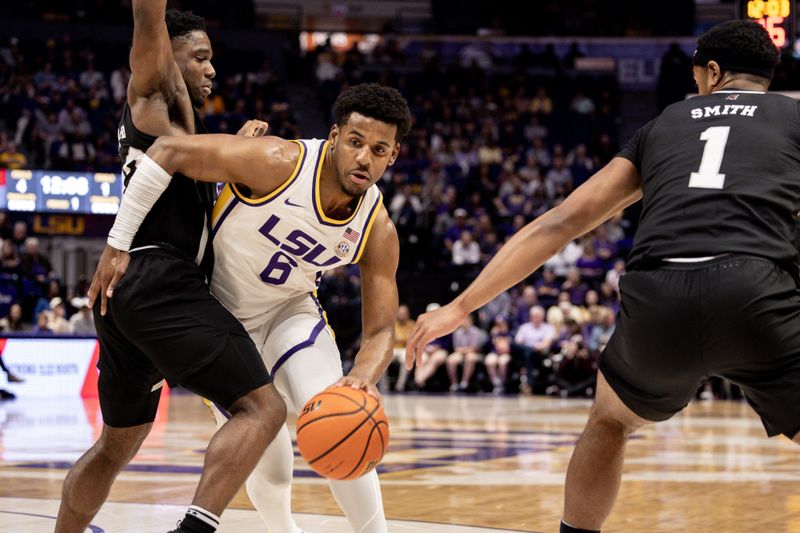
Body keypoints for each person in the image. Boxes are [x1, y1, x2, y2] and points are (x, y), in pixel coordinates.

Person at [406, 20, 798, 533]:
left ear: (713, 72)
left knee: (611, 421)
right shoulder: (793, 117)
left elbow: (561, 222)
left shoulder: (664, 124)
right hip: (756, 290)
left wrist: (459, 307)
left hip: (659, 293)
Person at [94, 83, 410, 533]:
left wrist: (361, 379)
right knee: (273, 460)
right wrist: (117, 242)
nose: (364, 158)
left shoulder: (378, 228)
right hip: (219, 316)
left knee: (342, 420)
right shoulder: (278, 163)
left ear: (393, 155)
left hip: (290, 312)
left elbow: (380, 330)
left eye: (379, 150)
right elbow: (166, 150)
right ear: (336, 136)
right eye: (356, 142)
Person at [56, 3, 285, 533]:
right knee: (263, 410)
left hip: (125, 295)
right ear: (168, 58)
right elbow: (146, 18)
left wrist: (234, 153)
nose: (211, 70)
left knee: (118, 442)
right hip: (159, 280)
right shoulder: (154, 94)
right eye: (199, 58)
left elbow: (195, 198)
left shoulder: (182, 133)